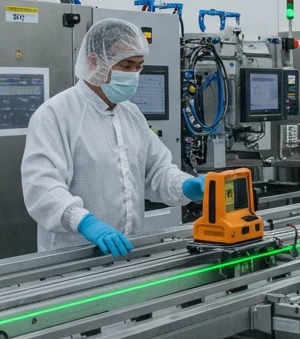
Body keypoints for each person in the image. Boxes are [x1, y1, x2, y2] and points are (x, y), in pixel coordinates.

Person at [22, 18, 202, 256]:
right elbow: (43, 189)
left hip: (127, 252)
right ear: (95, 62)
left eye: (139, 66)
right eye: (126, 66)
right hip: (71, 261)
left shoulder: (131, 113)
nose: (134, 74)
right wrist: (86, 222)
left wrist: (186, 185)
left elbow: (155, 172)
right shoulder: (55, 115)